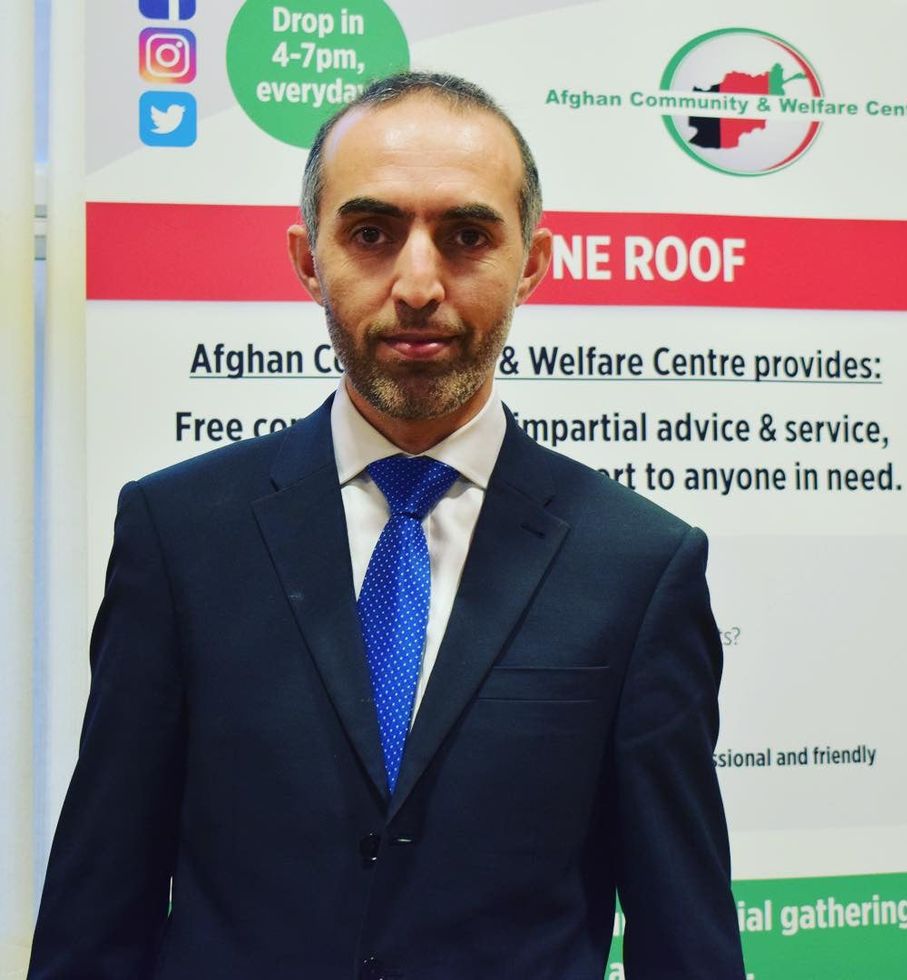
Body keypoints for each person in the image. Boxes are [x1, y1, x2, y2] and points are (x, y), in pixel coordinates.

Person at [29, 72, 744, 978]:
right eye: (370, 233)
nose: (417, 283)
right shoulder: (178, 534)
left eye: (467, 236)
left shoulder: (639, 565)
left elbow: (684, 935)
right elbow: (100, 902)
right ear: (307, 258)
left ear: (531, 263)